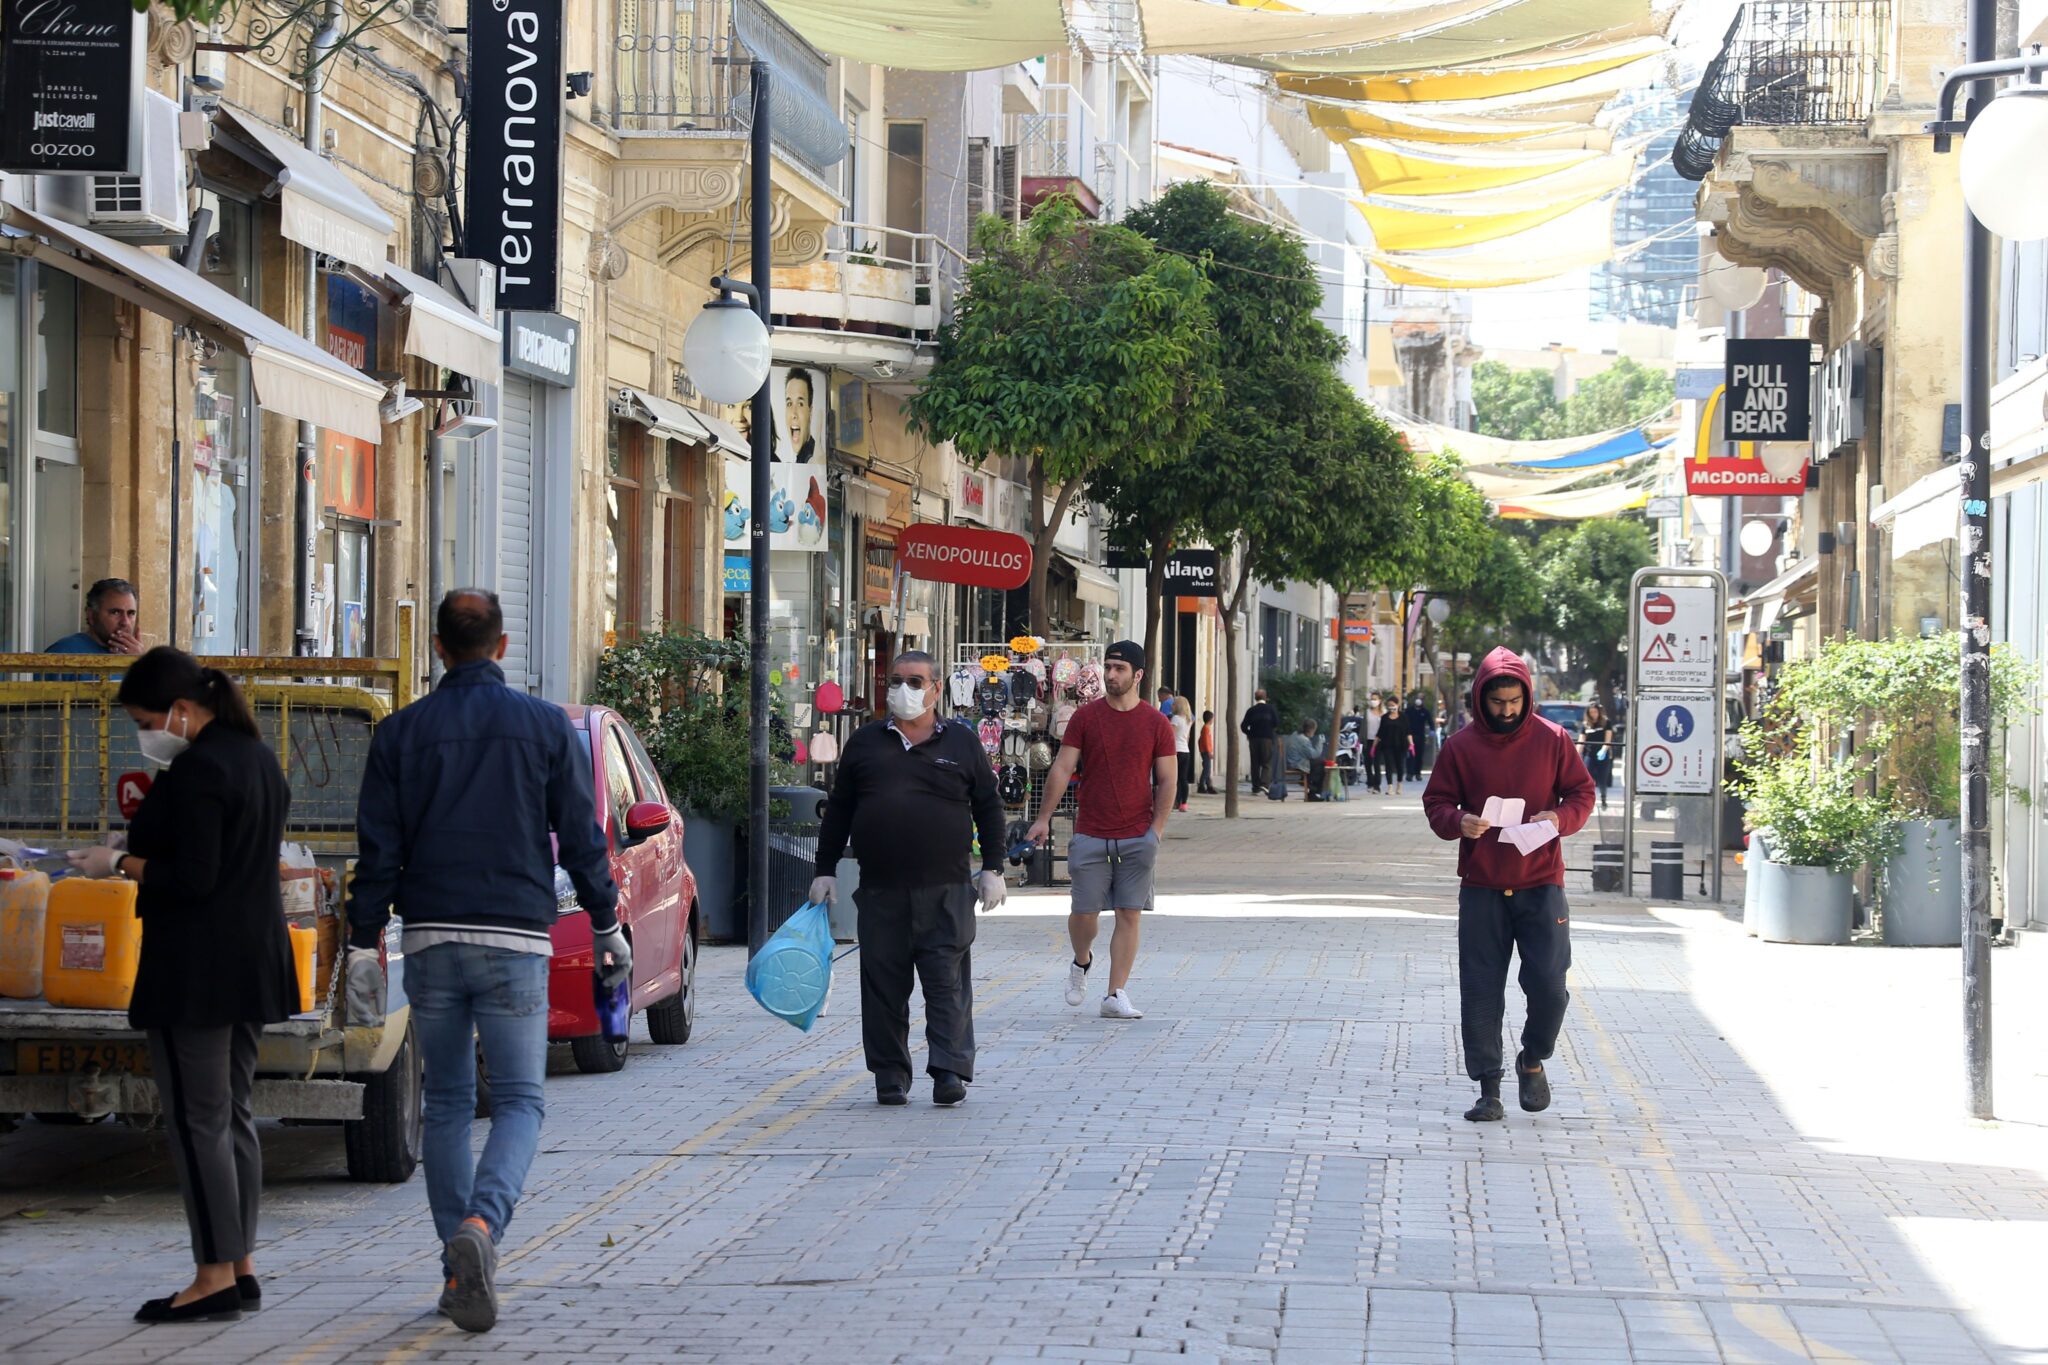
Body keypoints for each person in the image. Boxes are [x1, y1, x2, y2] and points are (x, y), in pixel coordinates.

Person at [347, 590, 624, 1333]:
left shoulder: (400, 733)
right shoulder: (542, 726)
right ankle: (483, 1226)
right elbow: (581, 831)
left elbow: (379, 848)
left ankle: (454, 1263)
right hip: (515, 937)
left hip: (431, 934)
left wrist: (360, 939)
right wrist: (605, 921)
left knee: (444, 1102)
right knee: (521, 1100)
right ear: (502, 647)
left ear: (438, 647)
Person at [65, 649, 294, 1323]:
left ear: (182, 711)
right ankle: (241, 1263)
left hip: (196, 970)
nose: (146, 731)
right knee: (234, 1112)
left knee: (199, 1122)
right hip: (252, 962)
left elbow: (193, 877)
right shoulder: (258, 757)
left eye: (145, 719)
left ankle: (212, 1276)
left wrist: (121, 861)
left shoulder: (199, 770)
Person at [811, 652, 1007, 1108]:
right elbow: (839, 810)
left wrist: (993, 869)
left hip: (947, 891)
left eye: (916, 682)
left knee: (947, 986)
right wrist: (823, 870)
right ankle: (890, 1074)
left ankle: (949, 1072)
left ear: (937, 689)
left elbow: (989, 806)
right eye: (897, 681)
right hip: (881, 890)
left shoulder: (961, 742)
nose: (904, 690)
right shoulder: (864, 743)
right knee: (883, 986)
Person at [1422, 648, 1595, 1124]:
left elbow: (1582, 792)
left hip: (1541, 882)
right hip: (1482, 887)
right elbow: (1436, 800)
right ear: (1480, 698)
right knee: (1480, 989)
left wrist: (1558, 817)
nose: (1506, 711)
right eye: (1496, 702)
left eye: (1514, 701)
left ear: (1527, 696)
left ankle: (1532, 1057)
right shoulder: (1460, 747)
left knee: (1549, 985)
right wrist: (1460, 821)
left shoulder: (1554, 739)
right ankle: (1488, 1087)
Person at [1029, 640, 1175, 1020]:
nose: (1111, 674)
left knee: (1130, 913)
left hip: (1136, 835)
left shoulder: (1156, 723)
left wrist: (1156, 830)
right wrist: (1043, 818)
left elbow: (1167, 780)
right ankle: (1081, 961)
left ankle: (1115, 994)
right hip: (1092, 832)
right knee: (1085, 914)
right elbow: (1062, 768)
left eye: (1119, 669)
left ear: (1138, 675)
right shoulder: (1085, 718)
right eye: (1108, 666)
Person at [1240, 688, 1279, 793]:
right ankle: (1265, 784)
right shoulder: (1271, 709)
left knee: (1255, 763)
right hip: (1267, 739)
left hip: (1253, 740)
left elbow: (1243, 726)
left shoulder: (1251, 710)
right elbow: (1276, 723)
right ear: (1266, 697)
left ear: (1255, 698)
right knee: (1267, 762)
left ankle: (1255, 787)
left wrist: (1250, 733)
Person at [1580, 701, 1616, 812]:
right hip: (1589, 755)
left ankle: (1604, 798)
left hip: (1602, 754)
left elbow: (1608, 740)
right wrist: (1576, 755)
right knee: (1588, 780)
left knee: (1602, 779)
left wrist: (1604, 750)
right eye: (1591, 712)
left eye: (1595, 712)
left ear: (1599, 712)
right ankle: (1589, 804)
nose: (1593, 714)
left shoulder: (1606, 722)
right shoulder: (1586, 724)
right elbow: (1581, 741)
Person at [1375, 692, 1410, 797]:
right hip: (1387, 745)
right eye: (1389, 705)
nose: (1391, 707)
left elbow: (1408, 731)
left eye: (1393, 705)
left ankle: (1399, 784)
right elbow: (1380, 732)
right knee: (1388, 765)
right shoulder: (1385, 717)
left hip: (1401, 745)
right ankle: (1390, 786)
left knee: (1400, 765)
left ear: (1397, 705)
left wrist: (1411, 744)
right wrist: (1374, 746)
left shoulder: (1403, 717)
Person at [780, 369, 818, 462]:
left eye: (800, 404)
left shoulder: (812, 458)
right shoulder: (800, 459)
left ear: (810, 412)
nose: (794, 414)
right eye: (789, 403)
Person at [1283, 718, 1323, 800]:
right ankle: (1313, 791)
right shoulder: (1303, 740)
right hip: (1296, 763)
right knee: (1321, 764)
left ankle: (1309, 783)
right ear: (1311, 730)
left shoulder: (1295, 734)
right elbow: (1313, 755)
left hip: (1291, 761)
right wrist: (1320, 743)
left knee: (1316, 763)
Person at [1170, 695, 1194, 812]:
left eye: (1174, 703)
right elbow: (1188, 737)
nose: (1172, 705)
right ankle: (1184, 803)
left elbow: (1170, 735)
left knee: (1173, 778)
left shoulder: (1175, 719)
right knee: (1183, 778)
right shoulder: (1188, 720)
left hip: (1175, 750)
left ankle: (1175, 801)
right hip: (1185, 750)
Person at [1404, 694, 1434, 779]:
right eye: (1417, 698)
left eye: (1420, 699)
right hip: (1410, 736)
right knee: (1410, 755)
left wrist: (1432, 730)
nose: (1418, 700)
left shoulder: (1425, 711)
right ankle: (1409, 773)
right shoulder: (1409, 711)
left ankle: (1418, 773)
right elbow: (1404, 720)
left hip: (1420, 736)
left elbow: (1430, 721)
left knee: (1419, 756)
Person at [1363, 696, 1384, 792]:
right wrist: (1360, 740)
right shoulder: (1367, 712)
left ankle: (1377, 785)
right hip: (1368, 740)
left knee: (1376, 763)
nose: (1373, 701)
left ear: (1379, 701)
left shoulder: (1383, 712)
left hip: (1379, 740)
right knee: (1368, 763)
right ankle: (1370, 782)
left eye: (1375, 699)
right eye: (1372, 699)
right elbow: (1363, 726)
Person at [1197, 709, 1217, 794]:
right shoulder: (1206, 729)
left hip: (1205, 751)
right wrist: (1209, 751)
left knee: (1208, 769)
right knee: (1207, 769)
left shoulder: (1206, 728)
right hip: (1206, 751)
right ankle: (1201, 785)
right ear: (1210, 719)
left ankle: (1209, 786)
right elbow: (1205, 741)